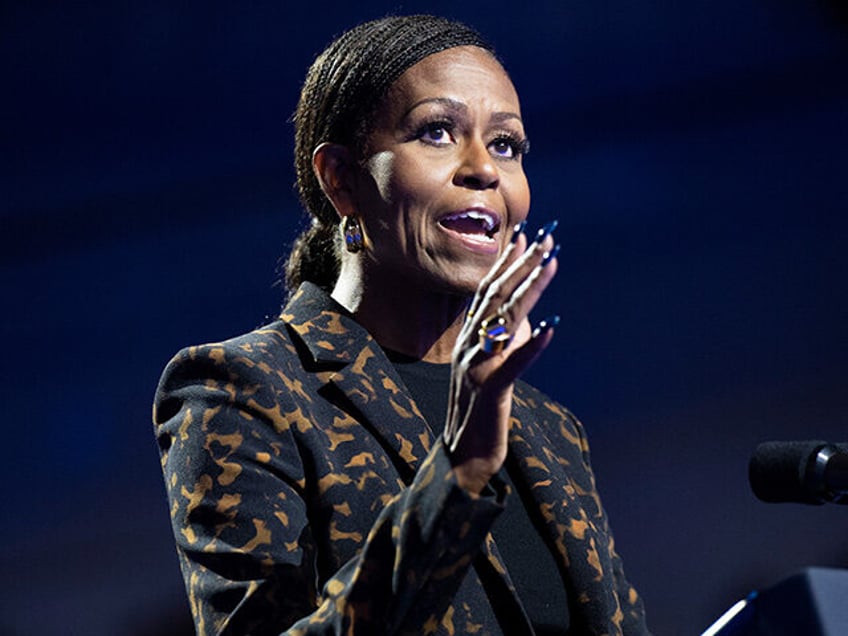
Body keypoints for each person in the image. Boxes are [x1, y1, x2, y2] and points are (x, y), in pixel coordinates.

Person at [153, 14, 649, 636]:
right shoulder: (243, 391)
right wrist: (462, 474)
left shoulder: (550, 430)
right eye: (438, 132)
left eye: (506, 144)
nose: (484, 169)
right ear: (341, 178)